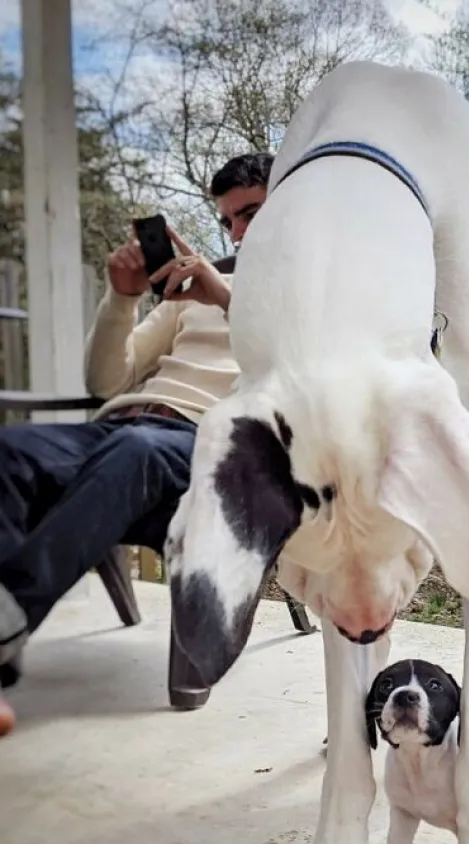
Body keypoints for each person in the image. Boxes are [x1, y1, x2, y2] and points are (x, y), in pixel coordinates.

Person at [0, 152, 275, 721]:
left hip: (209, 448)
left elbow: (300, 370)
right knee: (9, 451)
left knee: (137, 451)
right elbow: (106, 383)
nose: (236, 233)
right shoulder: (193, 294)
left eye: (249, 213)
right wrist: (122, 298)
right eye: (227, 221)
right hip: (125, 429)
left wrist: (227, 297)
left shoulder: (314, 301)